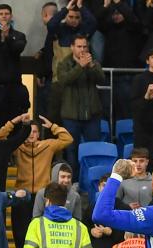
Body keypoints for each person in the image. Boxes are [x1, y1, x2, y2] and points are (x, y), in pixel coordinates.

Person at [57, 34, 104, 172]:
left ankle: (92, 181)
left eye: (84, 46)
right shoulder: (64, 64)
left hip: (92, 115)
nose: (82, 49)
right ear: (72, 47)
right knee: (71, 151)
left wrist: (90, 67)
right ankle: (73, 182)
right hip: (71, 116)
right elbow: (64, 81)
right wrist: (80, 67)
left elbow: (101, 79)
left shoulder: (93, 62)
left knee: (93, 149)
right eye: (79, 46)